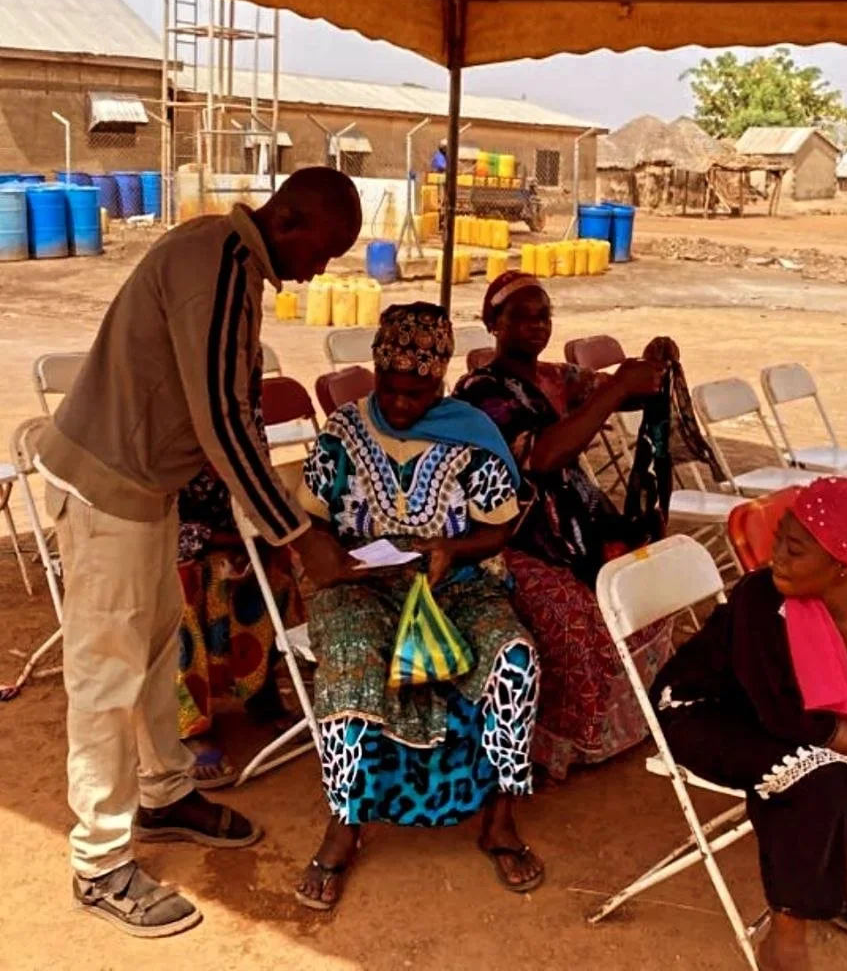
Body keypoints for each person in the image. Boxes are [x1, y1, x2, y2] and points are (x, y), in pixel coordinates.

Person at [36, 167, 363, 937]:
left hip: (145, 488)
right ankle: (99, 862)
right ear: (291, 220)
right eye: (328, 248)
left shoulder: (233, 263)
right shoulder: (217, 262)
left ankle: (163, 794)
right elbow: (224, 418)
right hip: (106, 488)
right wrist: (296, 534)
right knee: (106, 679)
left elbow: (223, 411)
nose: (325, 269)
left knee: (153, 652)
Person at [653, 478, 847, 971]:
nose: (776, 555)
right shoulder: (761, 599)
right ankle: (786, 941)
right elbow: (793, 722)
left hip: (790, 720)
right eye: (779, 539)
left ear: (844, 562)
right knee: (818, 772)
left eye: (794, 549)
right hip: (705, 710)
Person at [293, 303, 543, 910]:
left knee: (515, 660)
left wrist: (452, 550)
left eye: (419, 389)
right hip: (360, 584)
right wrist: (323, 554)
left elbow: (500, 530)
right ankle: (344, 825)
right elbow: (307, 519)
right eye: (392, 387)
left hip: (456, 582)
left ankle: (500, 819)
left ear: (440, 376)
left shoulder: (471, 431)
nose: (403, 404)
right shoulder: (343, 432)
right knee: (350, 667)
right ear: (375, 369)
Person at [454, 271, 674, 779]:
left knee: (646, 587)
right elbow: (545, 456)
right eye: (522, 316)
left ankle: (629, 722)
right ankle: (563, 742)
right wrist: (617, 384)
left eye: (544, 315)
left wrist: (651, 363)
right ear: (492, 323)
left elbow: (632, 394)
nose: (536, 325)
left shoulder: (558, 378)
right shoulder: (480, 394)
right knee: (579, 619)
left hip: (575, 523)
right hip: (512, 536)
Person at [174, 428, 304, 787]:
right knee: (186, 588)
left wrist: (256, 539)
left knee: (272, 574)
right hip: (180, 546)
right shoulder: (166, 435)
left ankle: (260, 692)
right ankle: (189, 726)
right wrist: (233, 541)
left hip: (237, 536)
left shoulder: (242, 420)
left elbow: (260, 489)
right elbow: (166, 524)